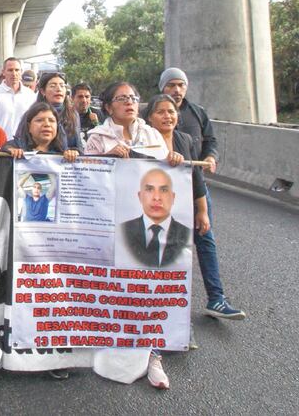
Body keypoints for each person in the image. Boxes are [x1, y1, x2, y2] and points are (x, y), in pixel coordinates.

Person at [84, 81, 183, 391]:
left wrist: (173, 161)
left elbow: (166, 174)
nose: (129, 103)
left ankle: (153, 357)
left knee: (147, 290)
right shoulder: (96, 137)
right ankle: (107, 352)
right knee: (114, 290)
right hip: (110, 225)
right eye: (121, 98)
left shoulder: (152, 134)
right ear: (109, 106)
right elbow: (84, 179)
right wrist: (106, 158)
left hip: (147, 224)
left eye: (133, 98)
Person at [144, 93, 245, 323]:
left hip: (187, 203)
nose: (167, 116)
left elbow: (196, 177)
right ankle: (166, 316)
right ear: (150, 118)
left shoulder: (185, 139)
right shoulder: (143, 141)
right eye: (160, 111)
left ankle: (216, 298)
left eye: (171, 111)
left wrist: (202, 210)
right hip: (157, 210)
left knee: (204, 241)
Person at [118, 168, 191, 268]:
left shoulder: (186, 233)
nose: (156, 197)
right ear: (140, 196)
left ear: (173, 197)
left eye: (164, 190)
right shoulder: (122, 230)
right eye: (149, 189)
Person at [35, 72, 84, 151]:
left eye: (62, 86)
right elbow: (22, 141)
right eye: (53, 86)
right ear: (43, 91)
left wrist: (74, 152)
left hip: (67, 161)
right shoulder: (34, 113)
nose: (59, 89)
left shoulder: (73, 113)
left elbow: (78, 145)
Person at [0, 57, 36, 138]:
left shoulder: (31, 96)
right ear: (3, 72)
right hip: (0, 145)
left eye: (17, 70)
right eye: (10, 70)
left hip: (24, 145)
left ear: (21, 72)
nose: (14, 73)